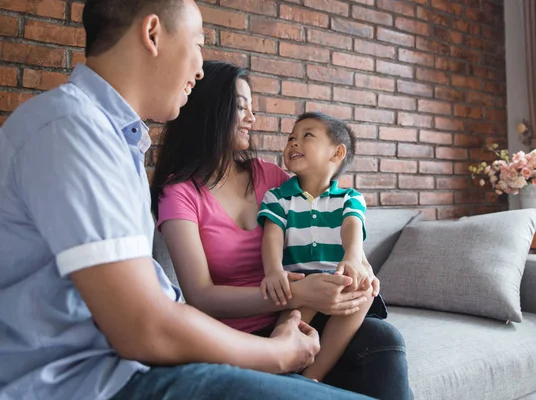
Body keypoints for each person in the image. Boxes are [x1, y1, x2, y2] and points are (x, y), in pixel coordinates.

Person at [0, 1, 373, 399]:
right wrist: (276, 353)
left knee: (377, 342)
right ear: (153, 34)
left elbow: (330, 208)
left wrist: (353, 259)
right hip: (101, 380)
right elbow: (145, 327)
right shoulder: (73, 130)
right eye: (197, 44)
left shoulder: (111, 138)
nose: (199, 69)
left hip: (145, 362)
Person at [151, 61, 412, 400]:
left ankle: (311, 379)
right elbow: (200, 295)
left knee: (382, 339)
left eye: (252, 109)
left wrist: (356, 260)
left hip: (301, 318)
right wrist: (301, 294)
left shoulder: (269, 176)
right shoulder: (179, 193)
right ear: (209, 110)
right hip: (240, 337)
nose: (252, 119)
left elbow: (326, 215)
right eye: (241, 107)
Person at [257, 112, 388, 382]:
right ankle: (275, 375)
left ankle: (314, 376)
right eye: (291, 138)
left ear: (337, 152)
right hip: (301, 285)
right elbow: (272, 235)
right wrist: (273, 271)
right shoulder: (279, 197)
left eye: (307, 136)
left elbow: (352, 227)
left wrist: (353, 259)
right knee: (289, 326)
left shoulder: (350, 198)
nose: (294, 143)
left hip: (337, 281)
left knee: (363, 292)